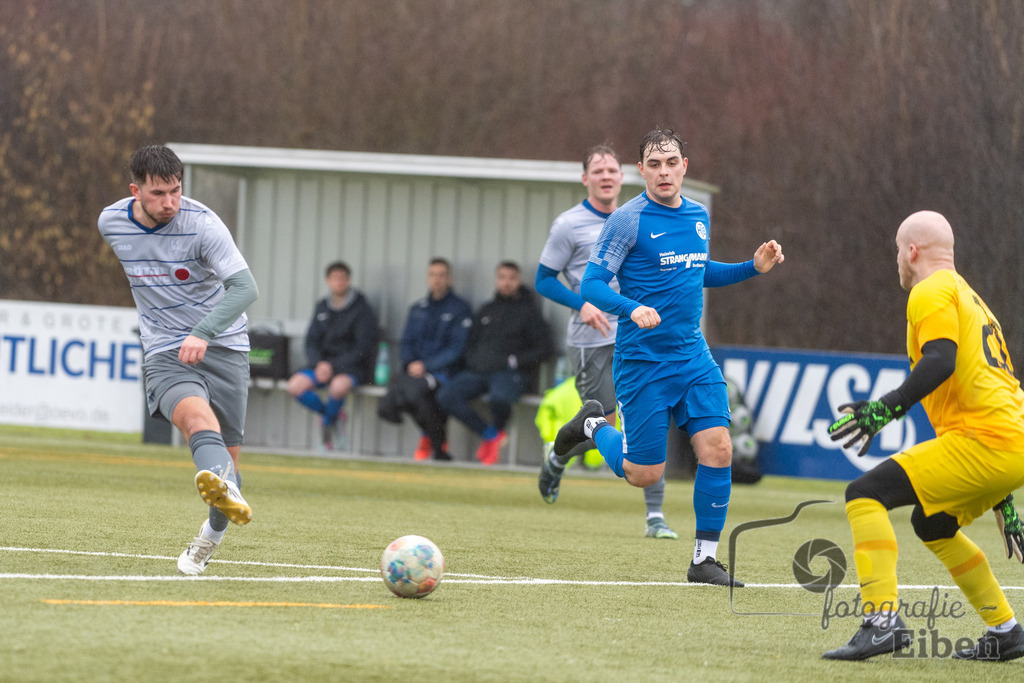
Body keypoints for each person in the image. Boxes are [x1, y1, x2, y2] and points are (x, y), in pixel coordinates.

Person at [550, 128, 784, 586]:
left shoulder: (697, 216)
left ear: (684, 166)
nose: (663, 171)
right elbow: (592, 284)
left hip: (692, 357)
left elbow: (699, 271)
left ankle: (704, 560)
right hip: (642, 362)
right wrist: (630, 307)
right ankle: (593, 425)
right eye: (654, 164)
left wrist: (751, 268)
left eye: (671, 162)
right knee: (643, 473)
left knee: (719, 449)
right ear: (641, 171)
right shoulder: (628, 220)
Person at [821, 210, 1024, 661]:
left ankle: (881, 621)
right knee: (933, 523)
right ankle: (1006, 631)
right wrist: (1002, 495)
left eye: (898, 250)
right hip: (1009, 444)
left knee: (864, 493)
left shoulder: (929, 290)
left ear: (911, 251)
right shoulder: (971, 296)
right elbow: (991, 387)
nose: (898, 259)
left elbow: (941, 360)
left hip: (986, 441)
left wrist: (885, 409)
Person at [97, 145, 259, 575]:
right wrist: (181, 335)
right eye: (158, 194)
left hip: (224, 347)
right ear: (136, 190)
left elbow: (245, 289)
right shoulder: (111, 222)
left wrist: (202, 331)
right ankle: (221, 491)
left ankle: (211, 536)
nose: (169, 202)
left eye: (175, 190)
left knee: (229, 472)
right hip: (166, 352)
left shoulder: (203, 225)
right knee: (196, 422)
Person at [535, 144, 678, 540]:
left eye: (612, 170)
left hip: (638, 336)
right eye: (597, 170)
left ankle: (655, 517)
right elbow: (543, 279)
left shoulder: (640, 217)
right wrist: (581, 304)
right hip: (590, 341)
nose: (605, 176)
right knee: (606, 425)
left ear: (623, 175)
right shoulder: (569, 225)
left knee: (647, 419)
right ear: (585, 179)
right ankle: (559, 452)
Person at [436, 261, 555, 465]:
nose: (506, 283)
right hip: (479, 372)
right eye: (502, 277)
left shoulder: (529, 313)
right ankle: (490, 435)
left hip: (510, 374)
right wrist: (475, 361)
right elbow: (470, 343)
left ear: (518, 281)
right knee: (446, 395)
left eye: (511, 278)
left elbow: (545, 350)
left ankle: (494, 437)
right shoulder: (486, 310)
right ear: (496, 280)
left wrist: (515, 361)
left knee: (499, 399)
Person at [377, 257, 473, 461]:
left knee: (413, 391)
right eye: (432, 275)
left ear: (449, 279)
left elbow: (457, 348)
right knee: (397, 396)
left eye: (441, 275)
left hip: (444, 372)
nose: (436, 280)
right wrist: (411, 363)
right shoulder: (418, 308)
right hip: (416, 372)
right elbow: (406, 341)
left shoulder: (460, 308)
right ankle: (436, 441)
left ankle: (432, 440)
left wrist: (426, 366)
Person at [286, 261, 378, 450]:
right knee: (295, 386)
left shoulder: (362, 309)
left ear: (348, 280)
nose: (339, 282)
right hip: (321, 367)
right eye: (335, 278)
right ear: (328, 281)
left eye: (342, 278)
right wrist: (319, 364)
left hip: (350, 368)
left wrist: (333, 367)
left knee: (337, 387)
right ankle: (332, 415)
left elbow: (363, 347)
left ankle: (328, 428)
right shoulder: (322, 306)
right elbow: (311, 341)